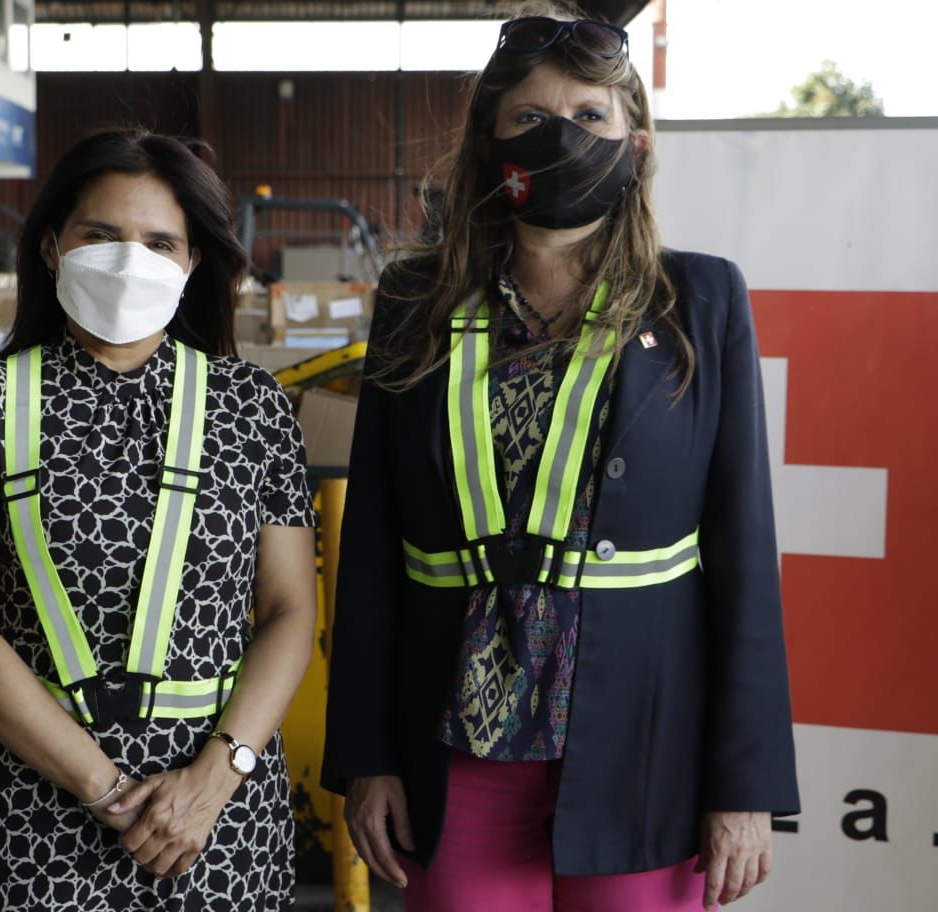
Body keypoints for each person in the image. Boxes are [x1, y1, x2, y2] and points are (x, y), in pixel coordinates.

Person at [322, 5, 800, 912]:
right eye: (531, 118)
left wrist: (746, 784)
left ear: (636, 143)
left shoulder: (699, 300)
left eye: (589, 116)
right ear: (487, 145)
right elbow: (375, 547)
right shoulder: (417, 299)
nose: (561, 137)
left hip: (644, 746)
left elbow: (744, 556)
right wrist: (367, 756)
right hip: (455, 746)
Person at [0, 130, 318, 912]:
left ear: (192, 261)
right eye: (101, 235)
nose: (130, 261)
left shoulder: (252, 407)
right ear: (51, 247)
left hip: (218, 813)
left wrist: (215, 778)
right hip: (33, 811)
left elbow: (289, 611)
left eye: (159, 242)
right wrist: (105, 789)